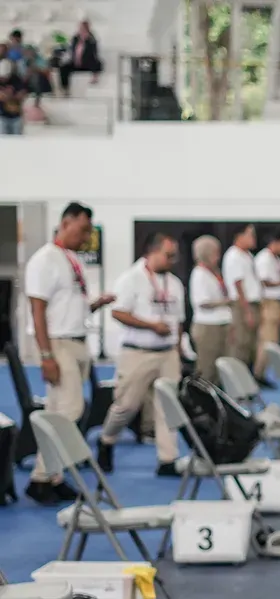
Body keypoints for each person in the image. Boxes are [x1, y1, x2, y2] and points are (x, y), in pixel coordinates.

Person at [24, 202, 115, 505]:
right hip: (58, 343)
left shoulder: (71, 259)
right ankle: (40, 478)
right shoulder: (45, 260)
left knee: (57, 411)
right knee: (70, 411)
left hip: (76, 341)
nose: (87, 236)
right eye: (83, 229)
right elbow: (37, 310)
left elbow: (68, 306)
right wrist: (46, 354)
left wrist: (96, 304)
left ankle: (53, 477)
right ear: (66, 222)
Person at [96, 234, 186, 475]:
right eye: (168, 255)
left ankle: (167, 459)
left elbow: (179, 321)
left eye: (174, 255)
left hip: (167, 353)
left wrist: (179, 351)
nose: (172, 260)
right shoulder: (131, 279)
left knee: (167, 407)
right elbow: (118, 313)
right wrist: (151, 326)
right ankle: (106, 440)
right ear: (152, 252)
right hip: (137, 353)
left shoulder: (175, 283)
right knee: (126, 405)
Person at [253, 230, 280, 382]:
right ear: (276, 242)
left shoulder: (277, 260)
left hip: (277, 303)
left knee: (273, 339)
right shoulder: (264, 258)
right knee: (267, 339)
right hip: (268, 302)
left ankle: (264, 372)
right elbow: (264, 281)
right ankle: (258, 373)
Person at [189, 235, 232, 383]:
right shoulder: (199, 274)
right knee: (207, 368)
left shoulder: (213, 272)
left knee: (219, 368)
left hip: (221, 323)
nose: (218, 257)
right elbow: (202, 302)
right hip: (208, 326)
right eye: (215, 253)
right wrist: (225, 302)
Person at [221, 224, 261, 370]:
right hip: (242, 304)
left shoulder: (248, 256)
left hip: (253, 303)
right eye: (250, 235)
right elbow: (238, 285)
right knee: (241, 344)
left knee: (251, 345)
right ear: (239, 236)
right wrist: (247, 311)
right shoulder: (233, 256)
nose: (253, 239)